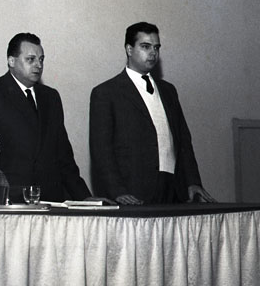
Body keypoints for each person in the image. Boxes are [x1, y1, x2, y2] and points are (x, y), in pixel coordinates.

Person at [89, 21, 215, 205]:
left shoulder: (169, 91)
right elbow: (101, 150)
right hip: (132, 192)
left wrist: (193, 182)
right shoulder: (106, 92)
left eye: (156, 47)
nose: (153, 53)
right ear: (129, 49)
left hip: (173, 190)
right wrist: (117, 191)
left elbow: (183, 142)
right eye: (145, 46)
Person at [0, 32, 90, 203]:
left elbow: (64, 158)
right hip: (9, 204)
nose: (38, 65)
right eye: (30, 59)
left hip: (50, 202)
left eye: (41, 59)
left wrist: (86, 198)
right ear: (11, 61)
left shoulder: (51, 97)